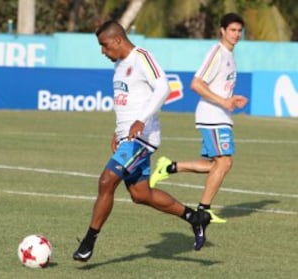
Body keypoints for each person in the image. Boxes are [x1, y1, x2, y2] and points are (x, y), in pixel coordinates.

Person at [73, 20, 211, 262]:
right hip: (129, 138)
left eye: (104, 46)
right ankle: (194, 218)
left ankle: (89, 240)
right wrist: (118, 132)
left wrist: (141, 120)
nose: (103, 52)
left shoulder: (142, 57)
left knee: (107, 181)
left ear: (118, 40)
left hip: (142, 139)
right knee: (141, 194)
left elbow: (163, 88)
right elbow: (127, 102)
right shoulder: (119, 65)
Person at [150, 13, 248, 224]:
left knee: (217, 164)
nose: (236, 34)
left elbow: (218, 86)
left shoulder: (230, 55)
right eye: (232, 30)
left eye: (239, 31)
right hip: (212, 115)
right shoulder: (217, 53)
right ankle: (204, 210)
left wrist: (231, 99)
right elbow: (196, 83)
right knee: (224, 162)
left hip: (221, 115)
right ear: (222, 30)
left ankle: (168, 167)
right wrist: (223, 102)